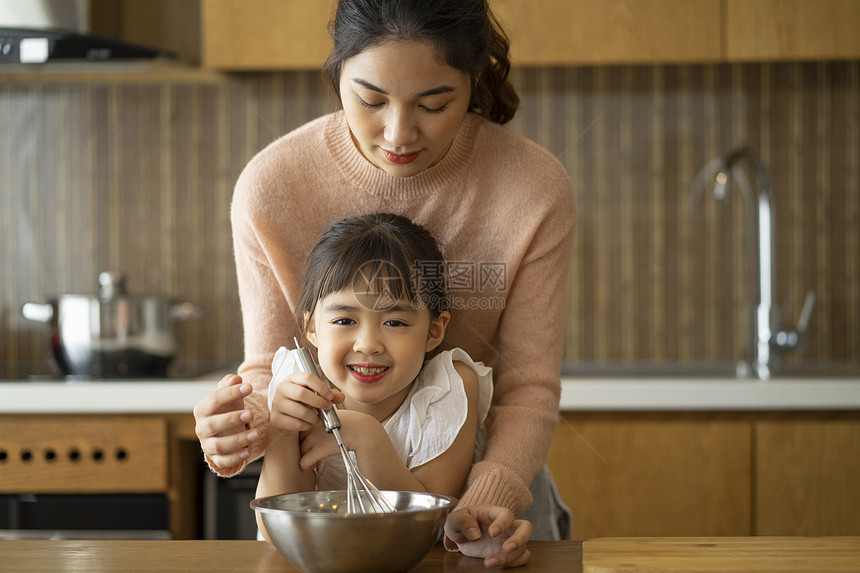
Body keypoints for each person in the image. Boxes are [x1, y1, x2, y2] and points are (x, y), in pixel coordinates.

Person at [193, 0, 574, 567]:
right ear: (337, 75)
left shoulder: (534, 187)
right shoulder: (271, 186)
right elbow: (272, 368)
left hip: (487, 515)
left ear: (473, 84)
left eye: (434, 103)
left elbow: (527, 386)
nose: (399, 131)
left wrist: (479, 504)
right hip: (324, 516)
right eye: (371, 100)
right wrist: (236, 428)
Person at [256, 213, 502, 536]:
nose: (368, 345)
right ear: (312, 327)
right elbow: (275, 526)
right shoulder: (297, 384)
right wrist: (281, 434)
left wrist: (369, 439)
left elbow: (430, 525)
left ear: (434, 330)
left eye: (395, 322)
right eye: (345, 320)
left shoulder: (447, 390)